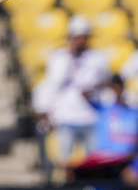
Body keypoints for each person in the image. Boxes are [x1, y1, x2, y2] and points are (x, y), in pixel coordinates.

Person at [32, 17, 110, 168]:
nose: (80, 41)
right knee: (65, 162)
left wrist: (93, 90)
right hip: (65, 117)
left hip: (91, 117)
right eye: (77, 37)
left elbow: (106, 83)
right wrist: (46, 111)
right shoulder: (59, 58)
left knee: (94, 163)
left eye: (83, 37)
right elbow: (53, 84)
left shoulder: (98, 58)